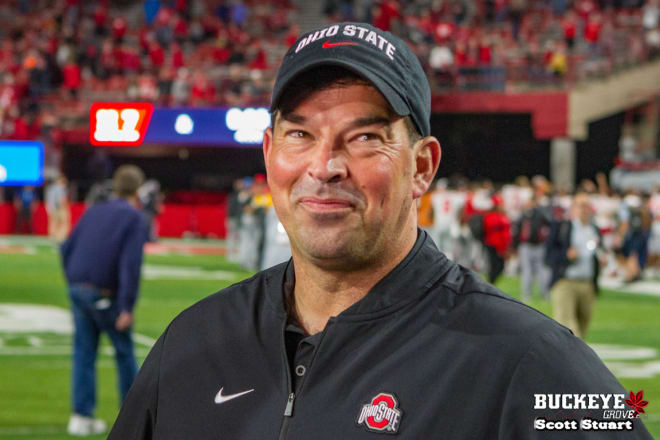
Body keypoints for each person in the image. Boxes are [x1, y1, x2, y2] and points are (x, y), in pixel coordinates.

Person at [109, 23, 650, 438]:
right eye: (300, 133)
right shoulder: (193, 342)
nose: (325, 166)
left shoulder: (534, 363)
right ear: (271, 156)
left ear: (422, 166)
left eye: (365, 137)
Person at [61, 165, 149, 436]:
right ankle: (135, 418)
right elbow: (130, 265)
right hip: (105, 296)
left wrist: (74, 282)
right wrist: (126, 306)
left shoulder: (95, 210)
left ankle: (80, 416)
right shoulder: (135, 218)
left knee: (84, 353)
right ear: (138, 189)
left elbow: (66, 247)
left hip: (79, 289)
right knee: (124, 353)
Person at [545, 192, 605, 339]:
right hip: (565, 282)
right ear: (572, 208)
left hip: (588, 284)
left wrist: (602, 260)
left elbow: (599, 252)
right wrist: (566, 255)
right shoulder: (562, 227)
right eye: (580, 205)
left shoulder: (594, 229)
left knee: (582, 330)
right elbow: (548, 256)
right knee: (568, 329)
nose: (584, 209)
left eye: (587, 206)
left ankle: (571, 361)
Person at [45, 175, 70, 242]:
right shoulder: (61, 188)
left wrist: (49, 208)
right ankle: (61, 237)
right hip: (59, 208)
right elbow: (61, 200)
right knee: (64, 222)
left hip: (52, 208)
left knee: (53, 222)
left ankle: (52, 236)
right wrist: (64, 207)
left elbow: (48, 199)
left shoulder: (51, 189)